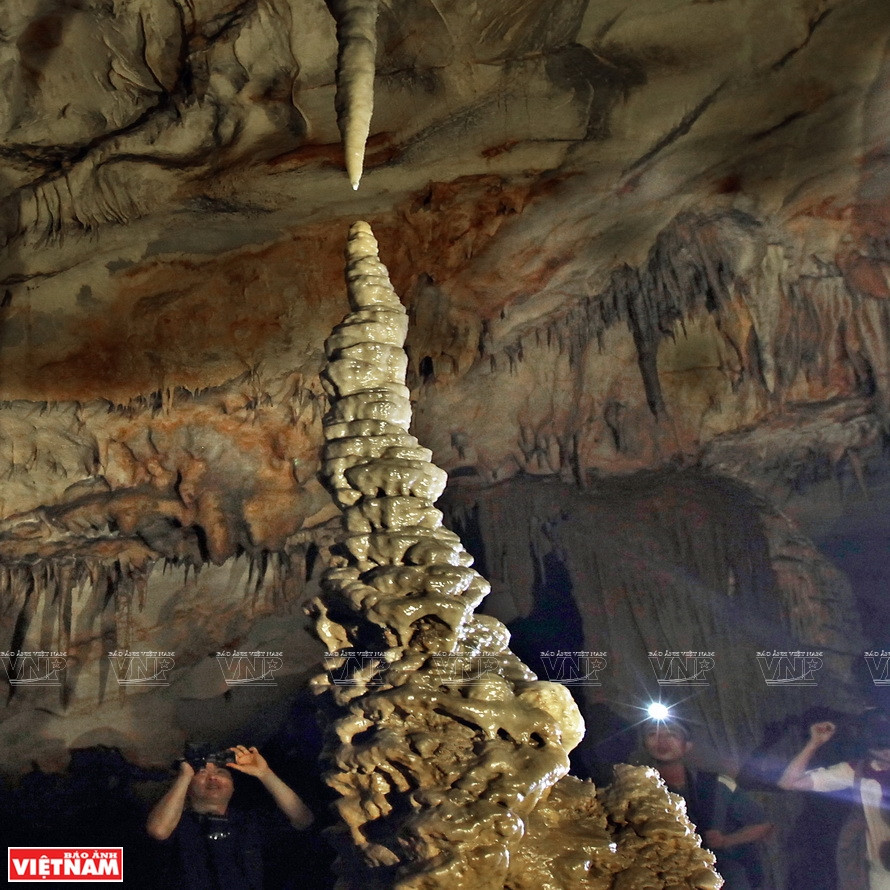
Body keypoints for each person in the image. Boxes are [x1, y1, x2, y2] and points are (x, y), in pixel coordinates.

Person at [146, 744, 314, 890]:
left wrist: (265, 773)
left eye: (221, 772)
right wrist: (185, 775)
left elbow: (302, 819)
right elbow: (158, 830)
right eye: (202, 773)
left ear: (233, 786)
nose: (213, 777)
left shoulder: (248, 822)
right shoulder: (177, 823)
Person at [641, 718, 772, 889]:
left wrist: (725, 840)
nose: (661, 741)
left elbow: (763, 825)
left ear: (687, 745)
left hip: (721, 875)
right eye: (653, 734)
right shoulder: (637, 790)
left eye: (671, 735)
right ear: (644, 743)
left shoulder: (717, 785)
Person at [778, 708, 890, 890]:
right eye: (880, 745)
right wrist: (813, 744)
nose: (886, 751)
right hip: (882, 873)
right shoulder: (857, 771)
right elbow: (789, 782)